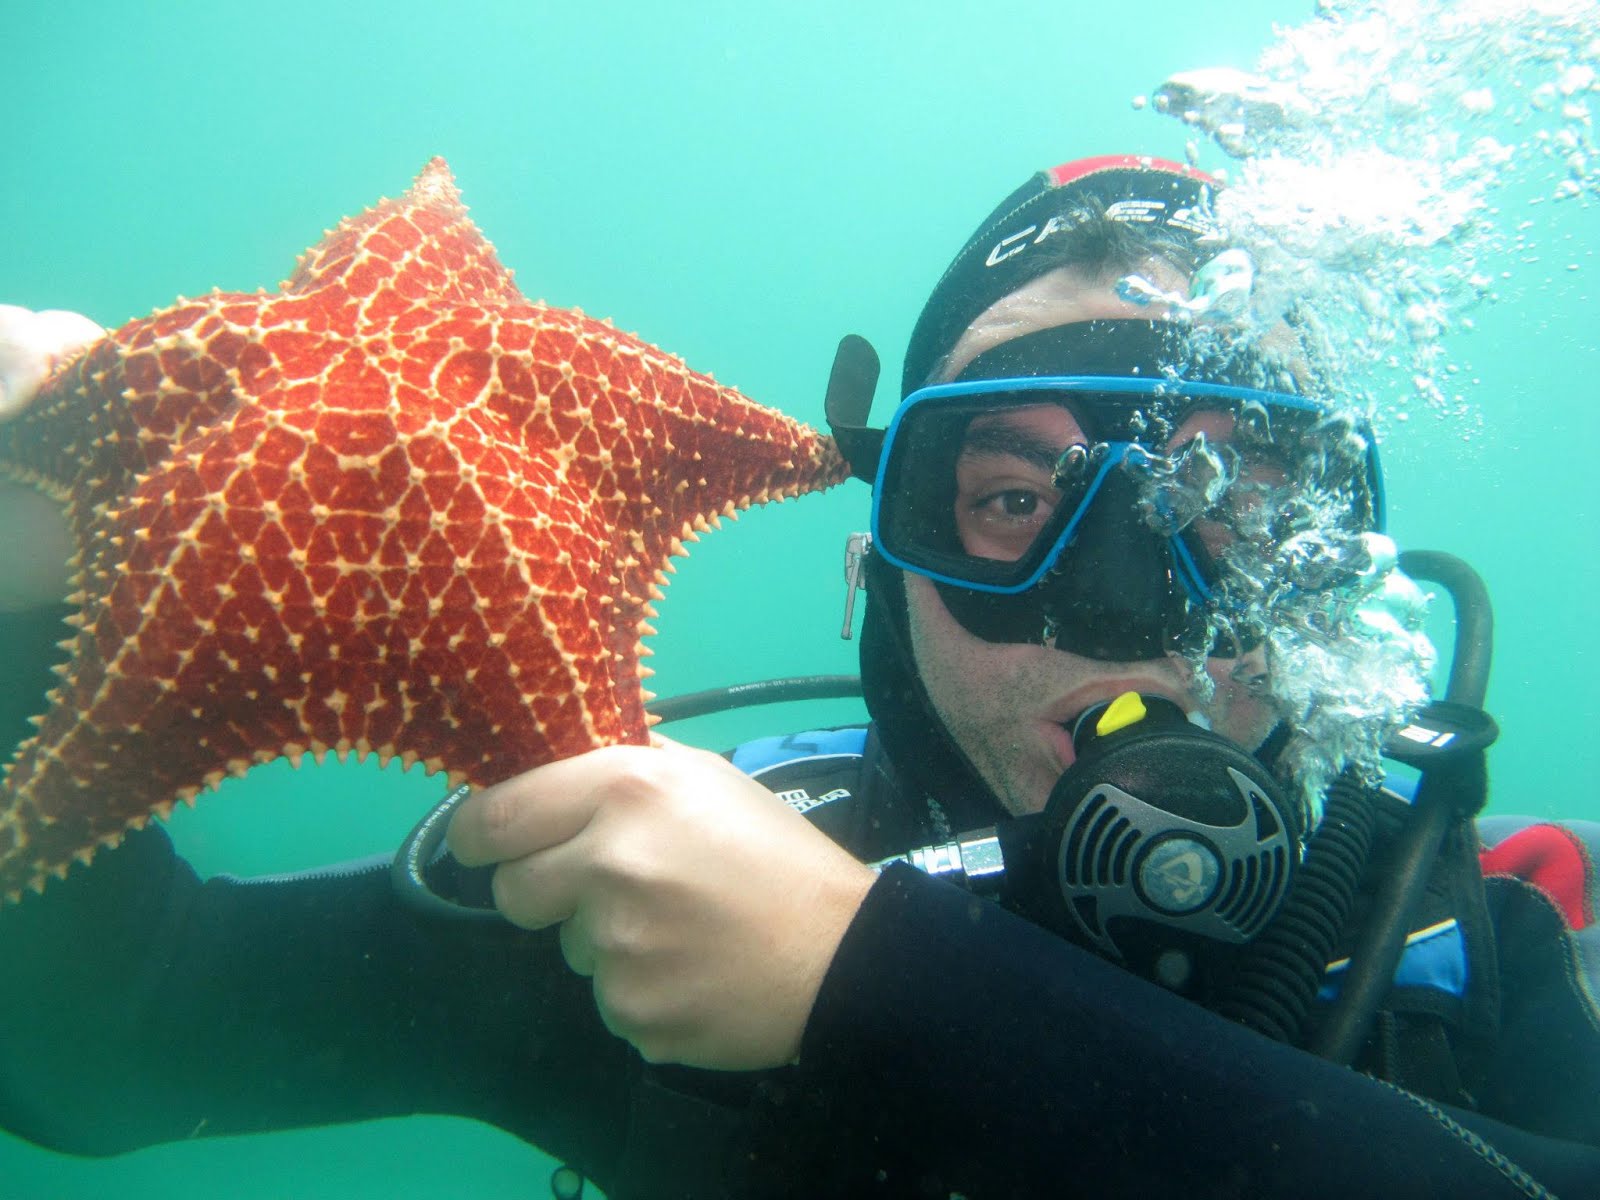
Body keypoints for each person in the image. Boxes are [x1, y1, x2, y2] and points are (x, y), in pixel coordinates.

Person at [2, 156, 1598, 1200]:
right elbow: (115, 1041)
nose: (1129, 612)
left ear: (1330, 562)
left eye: (1227, 509)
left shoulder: (1484, 930)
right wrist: (31, 597)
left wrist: (872, 990)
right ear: (881, 568)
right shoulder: (672, 903)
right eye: (1009, 500)